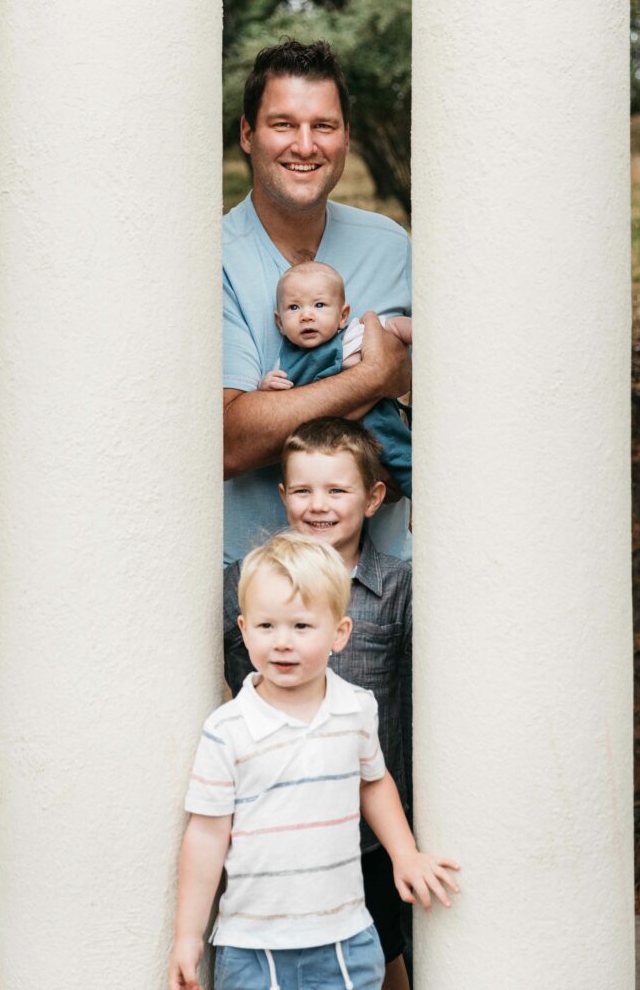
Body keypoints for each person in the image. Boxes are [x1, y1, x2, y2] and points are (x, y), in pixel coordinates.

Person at [169, 533, 459, 990]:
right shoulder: (227, 729)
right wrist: (188, 935)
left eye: (301, 627)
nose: (282, 642)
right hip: (252, 947)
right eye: (267, 627)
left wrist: (404, 855)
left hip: (344, 939)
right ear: (243, 630)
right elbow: (206, 834)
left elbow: (373, 781)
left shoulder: (357, 709)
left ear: (339, 633)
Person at [224, 418, 413, 990]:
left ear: (374, 497)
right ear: (283, 496)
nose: (318, 505)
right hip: (280, 824)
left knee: (384, 959)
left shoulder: (399, 588)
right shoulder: (246, 583)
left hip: (368, 828)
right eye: (303, 490)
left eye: (337, 490)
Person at [223, 38, 412, 565]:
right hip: (262, 594)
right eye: (283, 124)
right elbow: (229, 440)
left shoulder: (390, 244)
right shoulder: (209, 258)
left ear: (346, 137)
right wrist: (372, 377)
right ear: (247, 133)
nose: (305, 146)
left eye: (323, 126)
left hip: (385, 579)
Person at [259, 262, 412, 498]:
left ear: (342, 316)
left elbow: (395, 327)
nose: (306, 316)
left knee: (404, 462)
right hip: (332, 448)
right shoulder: (282, 364)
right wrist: (266, 386)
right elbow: (272, 405)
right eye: (294, 307)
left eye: (319, 305)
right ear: (279, 322)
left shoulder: (354, 334)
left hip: (377, 425)